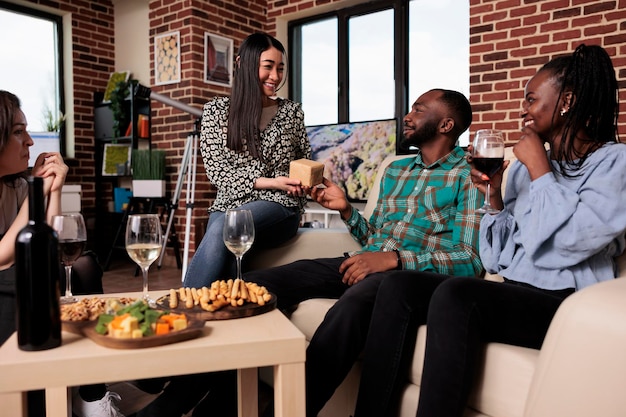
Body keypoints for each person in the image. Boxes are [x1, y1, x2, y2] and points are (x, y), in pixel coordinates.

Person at [345, 44, 626, 417]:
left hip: (567, 303)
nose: (523, 109)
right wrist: (494, 198)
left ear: (567, 101)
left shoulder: (613, 163)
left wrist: (541, 170)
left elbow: (571, 245)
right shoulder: (525, 169)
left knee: (456, 296)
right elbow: (496, 259)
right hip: (516, 293)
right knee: (397, 284)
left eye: (530, 99)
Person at [244, 88, 484, 416]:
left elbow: (469, 259)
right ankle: (200, 400)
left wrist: (396, 260)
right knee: (253, 285)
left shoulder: (469, 175)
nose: (408, 116)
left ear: (446, 125)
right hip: (362, 263)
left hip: (408, 280)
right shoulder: (397, 171)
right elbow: (375, 236)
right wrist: (346, 211)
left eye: (418, 109)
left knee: (353, 305)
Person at [0, 90, 124, 417]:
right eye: (17, 131)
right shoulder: (24, 191)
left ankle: (91, 394)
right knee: (60, 274)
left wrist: (52, 189)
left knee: (83, 265)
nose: (29, 141)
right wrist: (36, 194)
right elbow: (2, 255)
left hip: (18, 272)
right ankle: (82, 394)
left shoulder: (15, 187)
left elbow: (49, 243)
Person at [183, 32, 310, 288]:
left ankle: (182, 309)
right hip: (227, 203)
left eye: (280, 68)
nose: (275, 76)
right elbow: (218, 173)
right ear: (243, 63)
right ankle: (231, 314)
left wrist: (300, 183)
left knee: (225, 229)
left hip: (279, 204)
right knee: (229, 250)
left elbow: (304, 161)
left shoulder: (292, 112)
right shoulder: (216, 111)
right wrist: (269, 181)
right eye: (268, 66)